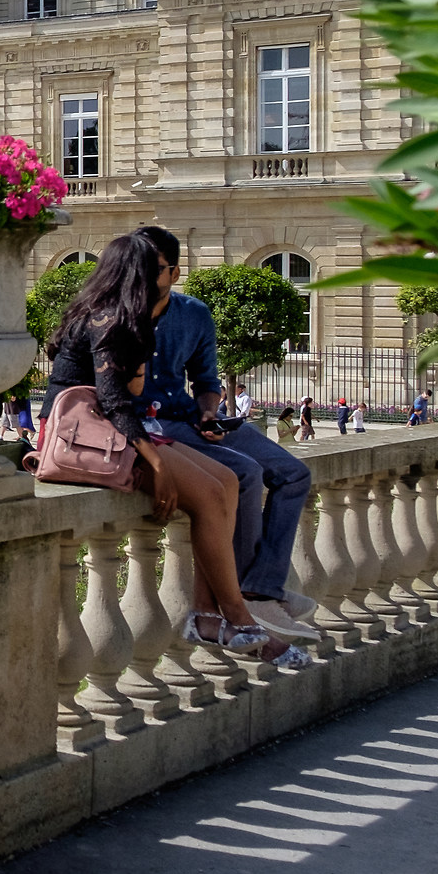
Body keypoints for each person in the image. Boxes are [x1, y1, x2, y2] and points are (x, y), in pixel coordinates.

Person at [44, 233, 310, 664]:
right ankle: (238, 616)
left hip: (124, 429)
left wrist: (197, 418)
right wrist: (157, 463)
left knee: (228, 480)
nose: (154, 279)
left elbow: (138, 393)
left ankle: (207, 613)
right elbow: (115, 403)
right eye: (148, 270)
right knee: (214, 491)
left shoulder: (135, 319)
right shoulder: (107, 319)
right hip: (93, 436)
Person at [127, 225, 319, 643]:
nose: (141, 275)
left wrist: (209, 412)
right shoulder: (118, 313)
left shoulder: (193, 313)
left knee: (294, 474)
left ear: (175, 272)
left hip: (189, 419)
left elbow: (206, 381)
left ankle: (260, 586)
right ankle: (249, 596)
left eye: (153, 268)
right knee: (245, 473)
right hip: (149, 428)